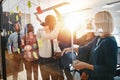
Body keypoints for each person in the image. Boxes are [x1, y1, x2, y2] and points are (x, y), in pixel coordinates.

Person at [61, 11, 118, 80]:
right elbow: (86, 48)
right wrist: (71, 49)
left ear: (103, 24)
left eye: (96, 23)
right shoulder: (98, 38)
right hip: (93, 76)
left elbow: (110, 70)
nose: (95, 25)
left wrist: (86, 65)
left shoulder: (110, 41)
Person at [36, 14, 64, 80]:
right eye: (54, 22)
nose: (55, 24)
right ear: (50, 23)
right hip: (44, 60)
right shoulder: (40, 31)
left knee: (55, 78)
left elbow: (55, 43)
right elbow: (52, 36)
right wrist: (59, 23)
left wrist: (58, 51)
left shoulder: (52, 30)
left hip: (53, 60)